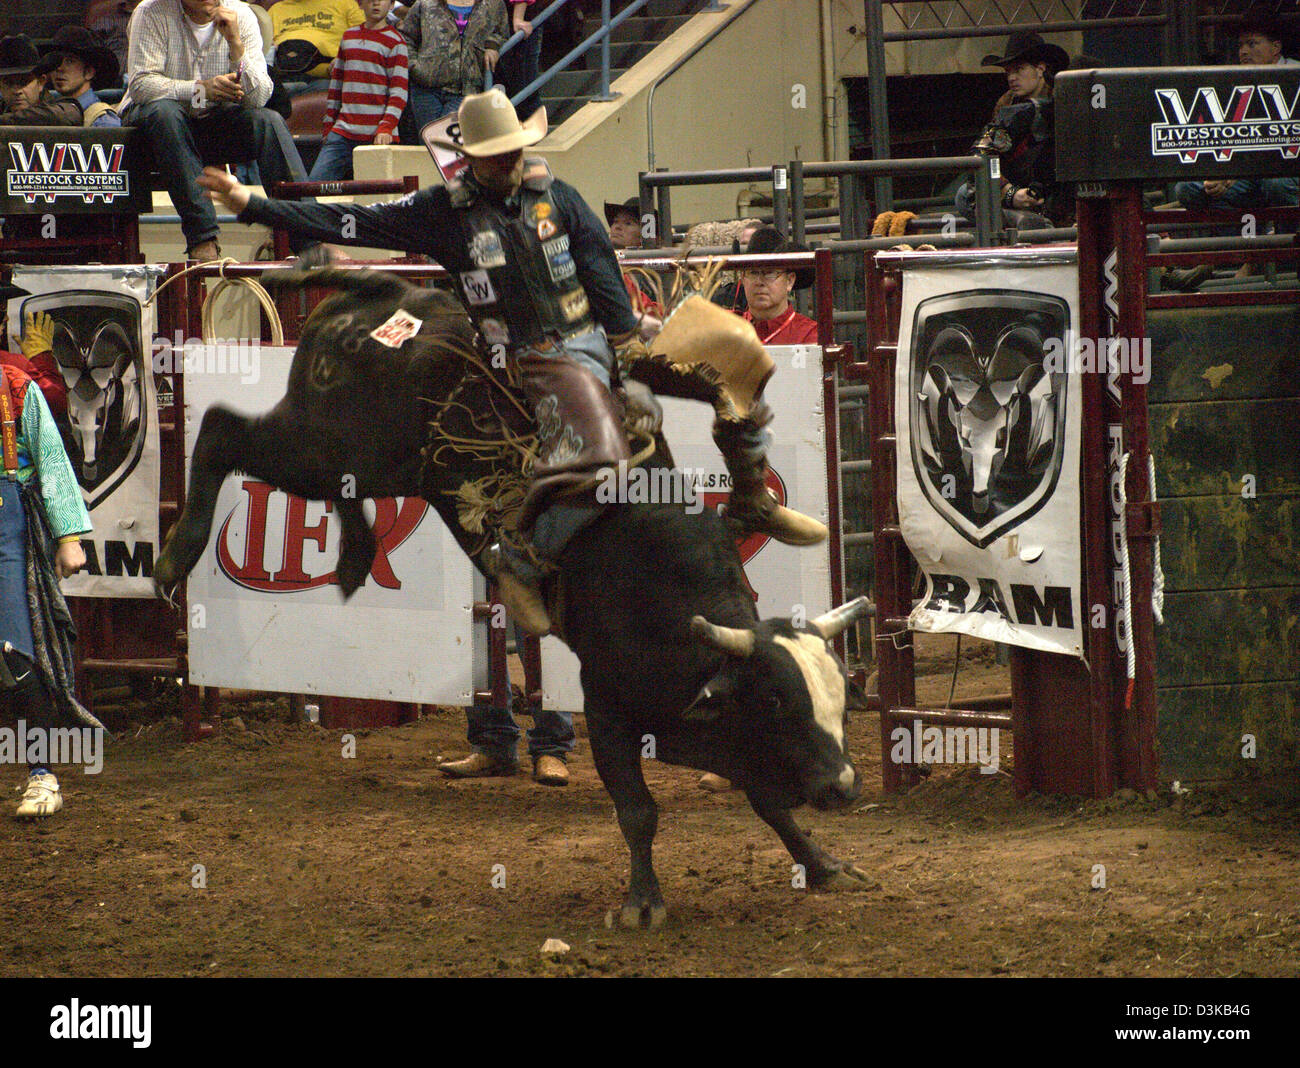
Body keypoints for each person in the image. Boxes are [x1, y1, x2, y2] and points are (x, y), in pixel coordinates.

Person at [198, 86, 827, 726]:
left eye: (513, 151)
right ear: (472, 157)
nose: (508, 163)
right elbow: (350, 222)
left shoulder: (557, 195)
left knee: (740, 357)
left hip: (602, 333)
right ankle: (520, 556)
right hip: (535, 355)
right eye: (497, 154)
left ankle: (752, 493)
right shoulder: (441, 212)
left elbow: (597, 261)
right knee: (604, 454)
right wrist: (254, 203)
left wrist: (625, 335)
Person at [1, 276, 97, 820]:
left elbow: (53, 460)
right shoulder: (18, 381)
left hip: (6, 517)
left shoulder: (16, 386)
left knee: (15, 649)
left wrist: (69, 535)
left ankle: (42, 774)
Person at [121, 0, 311, 263]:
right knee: (166, 113)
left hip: (209, 123)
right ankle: (202, 237)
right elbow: (142, 85)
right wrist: (200, 89)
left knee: (267, 121)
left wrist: (235, 44)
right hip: (152, 130)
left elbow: (258, 99)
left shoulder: (241, 14)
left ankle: (308, 235)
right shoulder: (151, 11)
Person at [1164, 10, 1299, 290]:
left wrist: (1240, 172)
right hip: (1246, 176)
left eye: (1252, 43)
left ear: (1275, 48)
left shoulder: (1294, 77)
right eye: (1241, 45)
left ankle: (1275, 257)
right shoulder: (1234, 80)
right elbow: (1227, 137)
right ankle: (1233, 256)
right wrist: (1220, 173)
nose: (1244, 51)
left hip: (1285, 175)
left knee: (1276, 185)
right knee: (1189, 189)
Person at [955, 30, 1070, 229]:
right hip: (1019, 186)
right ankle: (1024, 220)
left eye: (1019, 69)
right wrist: (1010, 192)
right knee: (965, 195)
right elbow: (982, 154)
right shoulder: (1007, 105)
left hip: (1058, 189)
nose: (1012, 77)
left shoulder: (1063, 98)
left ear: (1040, 68)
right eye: (1008, 72)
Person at [309, 0, 409, 180]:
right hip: (342, 132)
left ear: (392, 4)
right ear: (360, 3)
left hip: (378, 136)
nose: (376, 3)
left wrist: (386, 127)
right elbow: (336, 86)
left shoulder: (396, 42)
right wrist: (329, 125)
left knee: (375, 198)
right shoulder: (349, 37)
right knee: (312, 189)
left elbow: (399, 93)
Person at [398, 0, 507, 133]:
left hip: (466, 90)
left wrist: (492, 45)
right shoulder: (425, 3)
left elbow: (500, 31)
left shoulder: (493, 4)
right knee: (429, 144)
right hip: (425, 88)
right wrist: (415, 67)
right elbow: (406, 37)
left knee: (450, 146)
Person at [736, 226, 819, 345]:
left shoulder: (809, 335)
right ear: (743, 278)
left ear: (789, 281)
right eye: (753, 272)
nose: (759, 281)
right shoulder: (727, 328)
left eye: (770, 273)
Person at [268, 0, 364, 95]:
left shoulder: (345, 4)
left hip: (325, 81)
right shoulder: (276, 10)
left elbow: (368, 39)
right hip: (282, 80)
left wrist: (346, 57)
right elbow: (260, 45)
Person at [37, 26, 124, 128]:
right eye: (55, 61)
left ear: (89, 72)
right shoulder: (49, 112)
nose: (59, 68)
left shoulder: (102, 120)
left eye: (70, 61)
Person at [0, 35, 85, 126]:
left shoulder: (63, 110)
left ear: (41, 82)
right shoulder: (3, 107)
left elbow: (66, 114)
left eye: (23, 82)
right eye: (9, 83)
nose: (17, 91)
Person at [604, 196, 662, 317]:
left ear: (648, 236)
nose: (617, 227)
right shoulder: (602, 260)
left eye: (628, 223)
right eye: (615, 221)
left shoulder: (654, 275)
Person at [497, 0, 541, 119]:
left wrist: (518, 18)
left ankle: (534, 133)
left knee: (523, 95)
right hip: (498, 25)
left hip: (517, 29)